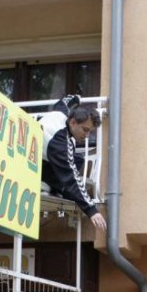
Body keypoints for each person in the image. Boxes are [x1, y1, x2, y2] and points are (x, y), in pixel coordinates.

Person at [40, 95, 107, 231]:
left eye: (90, 132)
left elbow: (64, 101)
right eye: (85, 130)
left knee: (79, 159)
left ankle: (53, 185)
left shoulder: (61, 113)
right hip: (34, 168)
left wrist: (76, 98)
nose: (87, 136)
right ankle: (48, 185)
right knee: (71, 173)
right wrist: (91, 210)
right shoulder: (60, 144)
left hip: (37, 156)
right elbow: (72, 179)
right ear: (73, 122)